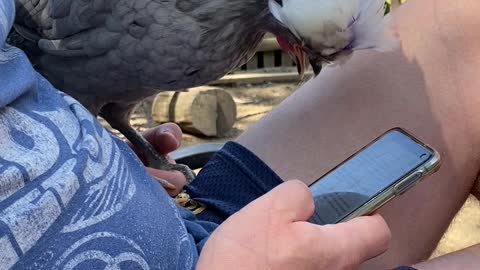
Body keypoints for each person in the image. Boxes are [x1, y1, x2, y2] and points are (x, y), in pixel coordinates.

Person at [0, 1, 479, 270]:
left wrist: (112, 161)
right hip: (203, 258)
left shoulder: (227, 31)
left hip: (182, 220)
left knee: (464, 17)